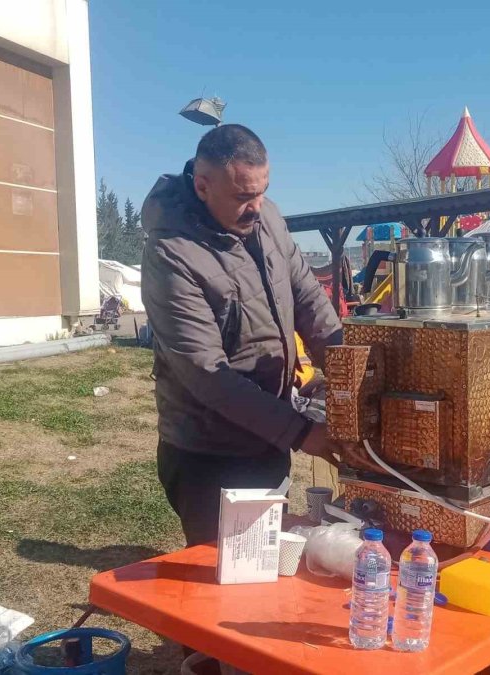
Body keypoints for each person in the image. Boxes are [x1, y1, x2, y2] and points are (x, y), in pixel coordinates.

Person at [141, 124, 344, 546]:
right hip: (209, 452)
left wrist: (348, 368)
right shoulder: (170, 254)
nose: (255, 207)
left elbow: (308, 298)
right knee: (227, 580)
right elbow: (207, 375)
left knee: (266, 561)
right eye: (241, 197)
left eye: (262, 191)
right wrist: (304, 434)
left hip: (269, 436)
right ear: (202, 186)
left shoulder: (267, 217)